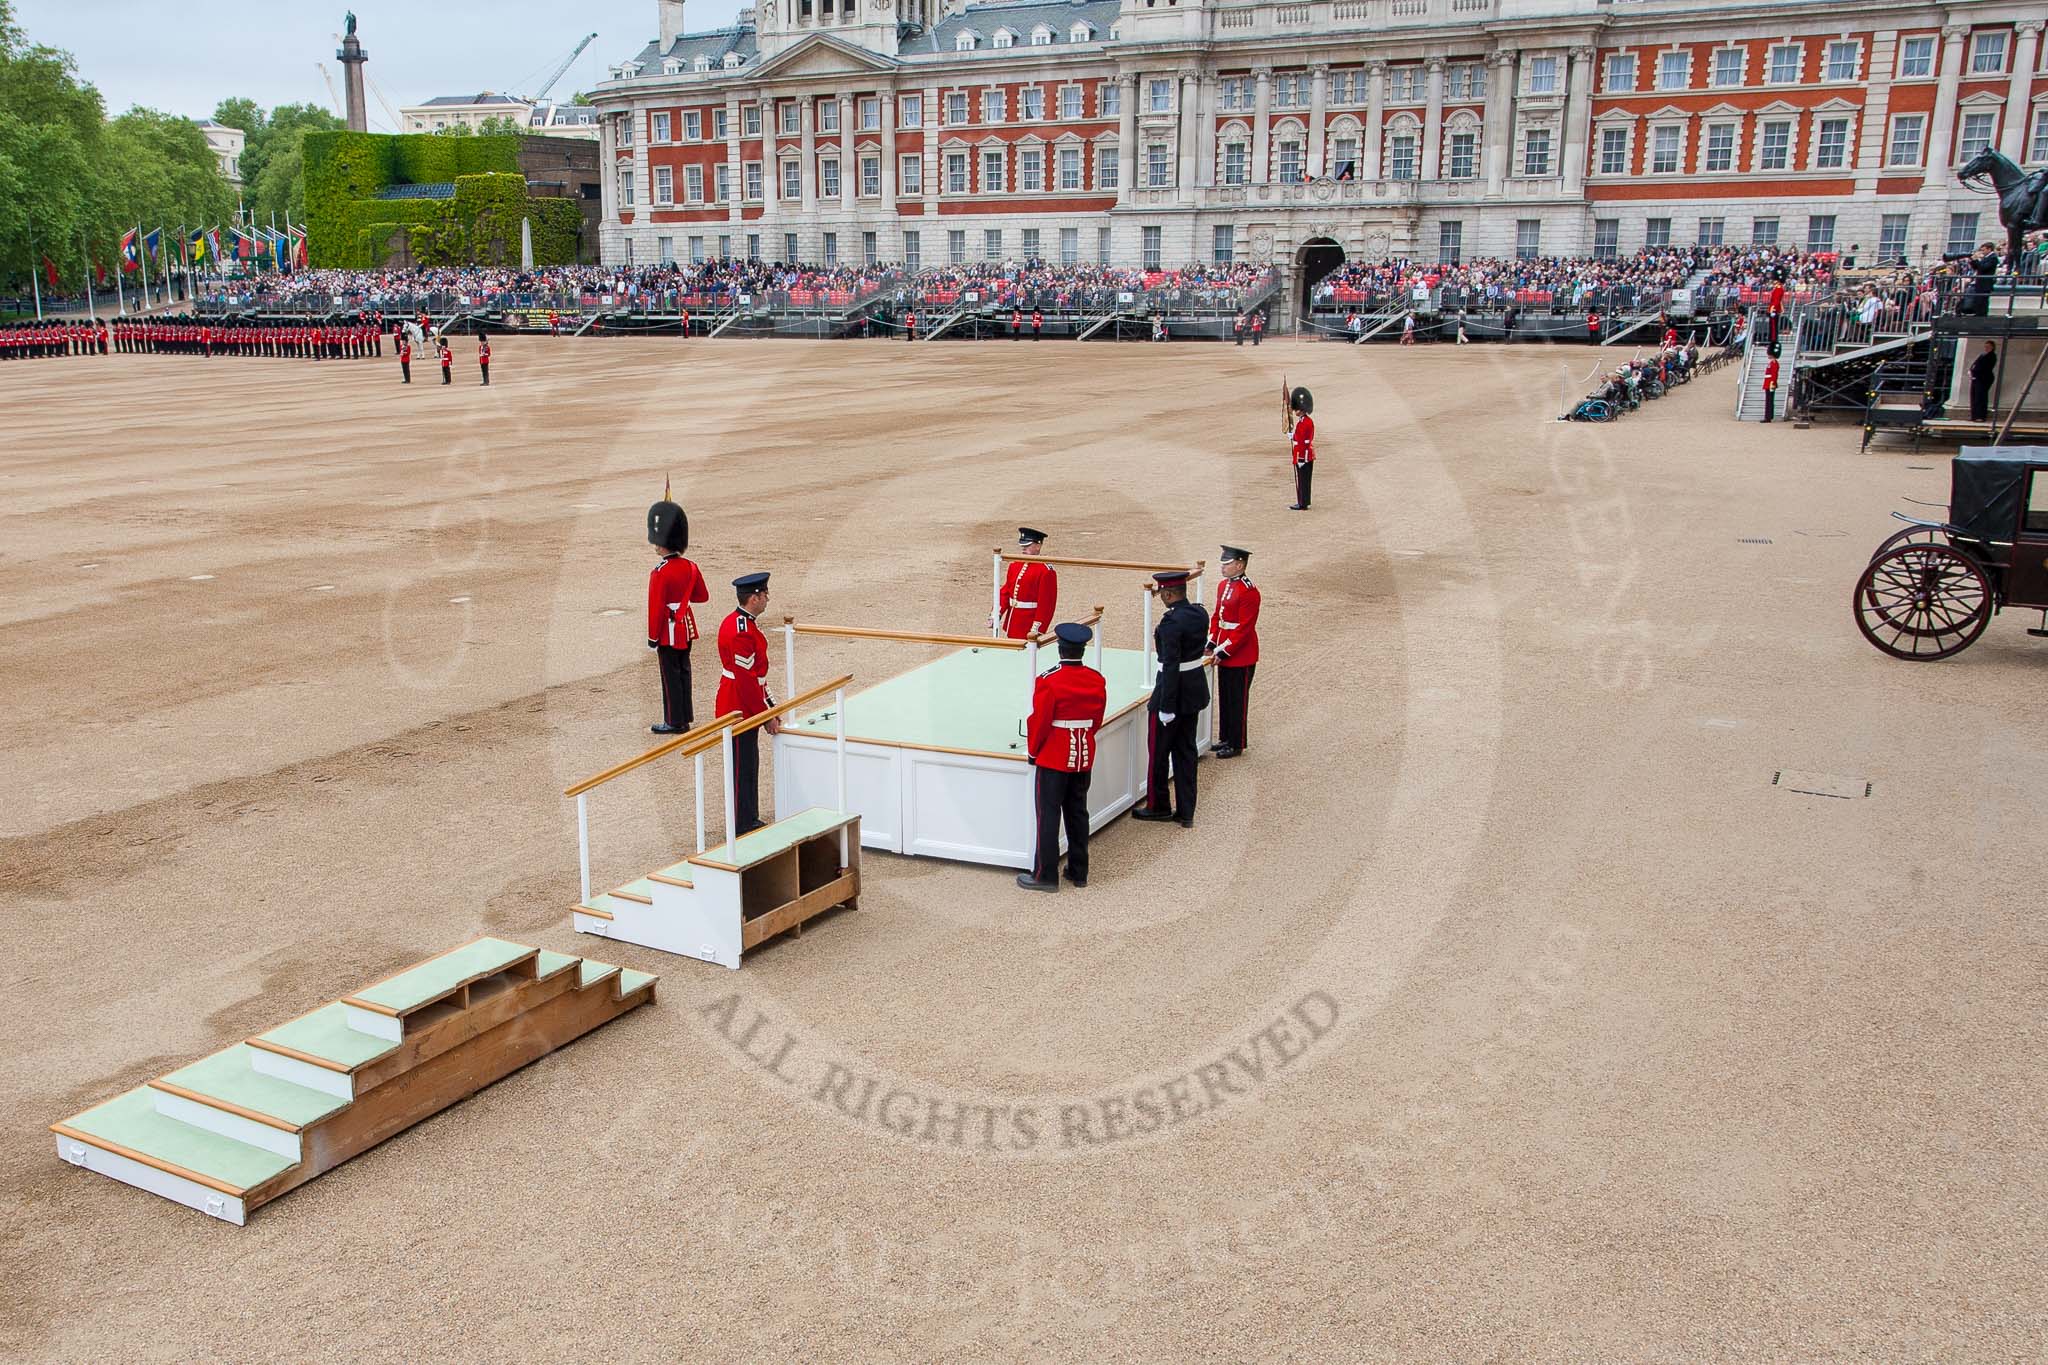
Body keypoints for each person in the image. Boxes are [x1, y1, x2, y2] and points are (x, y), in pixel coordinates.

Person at [1016, 623, 1108, 893]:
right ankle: (1079, 871)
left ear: (1060, 648)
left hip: (1055, 755)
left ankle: (1045, 875)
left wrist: (1033, 751)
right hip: (1082, 754)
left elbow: (1040, 721)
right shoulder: (1095, 678)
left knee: (1048, 816)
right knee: (1078, 813)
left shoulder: (1049, 680)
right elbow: (1096, 719)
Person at [1130, 570, 1209, 829]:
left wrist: (1166, 705)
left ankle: (1159, 805)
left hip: (1171, 692)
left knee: (1159, 752)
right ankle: (1187, 810)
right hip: (1194, 690)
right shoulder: (1199, 613)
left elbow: (1171, 664)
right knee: (1186, 752)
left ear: (1167, 593)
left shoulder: (1171, 623)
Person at [714, 573, 778, 836]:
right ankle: (742, 821)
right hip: (738, 707)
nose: (766, 599)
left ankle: (748, 815)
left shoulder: (742, 623)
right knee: (743, 767)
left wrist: (771, 704)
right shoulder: (741, 632)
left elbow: (755, 679)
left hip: (743, 700)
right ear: (754, 598)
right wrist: (766, 716)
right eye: (764, 594)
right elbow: (747, 681)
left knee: (748, 763)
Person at [647, 489, 709, 734]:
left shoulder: (660, 572)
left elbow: (656, 609)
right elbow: (702, 596)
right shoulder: (691, 567)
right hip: (686, 626)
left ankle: (673, 720)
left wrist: (653, 637)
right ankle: (685, 717)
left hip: (668, 631)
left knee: (670, 677)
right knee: (684, 671)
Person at [1204, 546, 1260, 758]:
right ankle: (1225, 737)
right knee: (1225, 697)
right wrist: (1211, 642)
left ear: (1239, 564)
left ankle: (1237, 743)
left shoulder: (1249, 591)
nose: (1223, 567)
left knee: (1237, 700)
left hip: (1241, 654)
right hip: (1225, 648)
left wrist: (1223, 649)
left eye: (1227, 564)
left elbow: (1244, 628)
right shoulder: (1223, 586)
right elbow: (1217, 616)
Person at [996, 527, 1058, 639]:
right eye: (1022, 546)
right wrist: (997, 612)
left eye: (1027, 546)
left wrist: (1037, 628)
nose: (1024, 549)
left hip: (1028, 623)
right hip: (1013, 620)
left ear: (1038, 546)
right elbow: (1006, 591)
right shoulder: (1015, 565)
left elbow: (1047, 604)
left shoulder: (1045, 570)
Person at [1288, 385, 1315, 510]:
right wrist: (1292, 436)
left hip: (1303, 456)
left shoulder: (1306, 422)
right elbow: (1299, 437)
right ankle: (1303, 501)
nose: (1295, 411)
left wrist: (1301, 459)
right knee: (1303, 480)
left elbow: (1304, 442)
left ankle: (1303, 503)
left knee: (1303, 481)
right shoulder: (1303, 421)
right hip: (1303, 455)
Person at [1969, 340, 1998, 422]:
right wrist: (1971, 371)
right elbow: (1975, 364)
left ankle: (1981, 416)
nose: (1986, 348)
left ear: (1992, 347)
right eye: (1985, 347)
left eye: (1988, 347)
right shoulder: (1982, 355)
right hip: (1976, 378)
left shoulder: (1992, 356)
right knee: (1974, 397)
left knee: (1980, 397)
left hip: (1983, 379)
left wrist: (1975, 371)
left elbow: (1985, 367)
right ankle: (1974, 416)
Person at [1762, 353, 1780, 423]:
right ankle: (1769, 416)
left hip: (1770, 384)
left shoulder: (1774, 363)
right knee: (1769, 400)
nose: (1768, 355)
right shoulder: (1771, 363)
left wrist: (1772, 384)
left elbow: (1774, 375)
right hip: (1768, 383)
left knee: (1769, 401)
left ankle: (1768, 417)